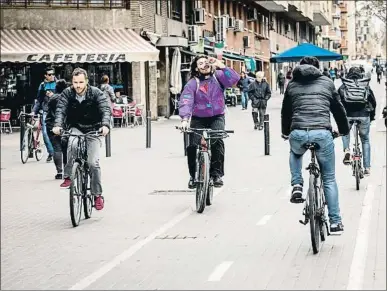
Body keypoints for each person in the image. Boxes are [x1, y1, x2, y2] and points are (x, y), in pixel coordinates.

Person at [281, 56, 349, 235]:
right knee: (329, 178)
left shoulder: (292, 85)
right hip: (322, 133)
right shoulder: (327, 82)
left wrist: (285, 132)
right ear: (318, 68)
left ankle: (296, 184)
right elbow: (338, 109)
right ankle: (335, 222)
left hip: (298, 132)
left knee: (295, 153)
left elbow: (286, 111)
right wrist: (343, 130)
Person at [52, 68, 111, 211]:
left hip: (94, 128)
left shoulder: (96, 93)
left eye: (80, 82)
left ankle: (97, 195)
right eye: (75, 82)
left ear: (86, 82)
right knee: (72, 144)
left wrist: (105, 125)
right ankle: (68, 176)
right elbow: (60, 110)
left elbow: (105, 110)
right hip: (76, 127)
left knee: (92, 162)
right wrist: (58, 125)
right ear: (72, 82)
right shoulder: (67, 93)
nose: (78, 85)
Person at [179, 55, 239, 188]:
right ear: (196, 67)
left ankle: (216, 174)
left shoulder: (218, 76)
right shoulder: (193, 83)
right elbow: (186, 100)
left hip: (217, 116)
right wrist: (184, 119)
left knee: (217, 140)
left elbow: (234, 80)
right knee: (193, 145)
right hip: (198, 118)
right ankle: (193, 176)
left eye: (206, 62)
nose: (204, 65)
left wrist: (222, 66)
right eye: (200, 63)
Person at [338, 66, 376, 176]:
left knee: (345, 132)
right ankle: (367, 167)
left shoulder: (344, 85)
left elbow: (337, 102)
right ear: (360, 74)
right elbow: (373, 102)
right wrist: (372, 116)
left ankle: (347, 150)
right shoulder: (365, 84)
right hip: (363, 115)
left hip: (348, 116)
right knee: (365, 140)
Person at [45, 79, 69, 180]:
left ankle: (59, 172)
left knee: (56, 148)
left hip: (51, 125)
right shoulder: (68, 97)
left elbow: (47, 110)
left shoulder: (52, 98)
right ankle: (67, 171)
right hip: (65, 125)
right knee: (66, 148)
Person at [33, 67, 56, 162]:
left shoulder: (58, 83)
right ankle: (52, 152)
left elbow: (63, 96)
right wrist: (34, 111)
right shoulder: (42, 85)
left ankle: (58, 151)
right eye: (49, 74)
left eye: (53, 74)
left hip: (57, 111)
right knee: (45, 132)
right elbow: (39, 100)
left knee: (57, 132)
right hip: (46, 111)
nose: (52, 76)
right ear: (45, 76)